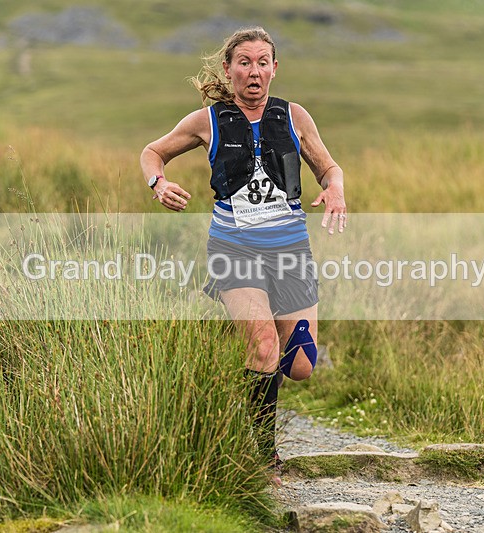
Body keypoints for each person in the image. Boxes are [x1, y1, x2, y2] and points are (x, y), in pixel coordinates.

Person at [139, 27, 346, 483]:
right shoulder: (207, 121)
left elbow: (328, 167)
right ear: (229, 69)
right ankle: (261, 455)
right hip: (234, 248)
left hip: (290, 250)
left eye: (262, 62)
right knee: (264, 346)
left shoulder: (294, 116)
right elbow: (152, 152)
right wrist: (159, 183)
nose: (254, 72)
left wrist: (335, 190)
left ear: (275, 68)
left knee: (301, 366)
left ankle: (257, 360)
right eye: (245, 63)